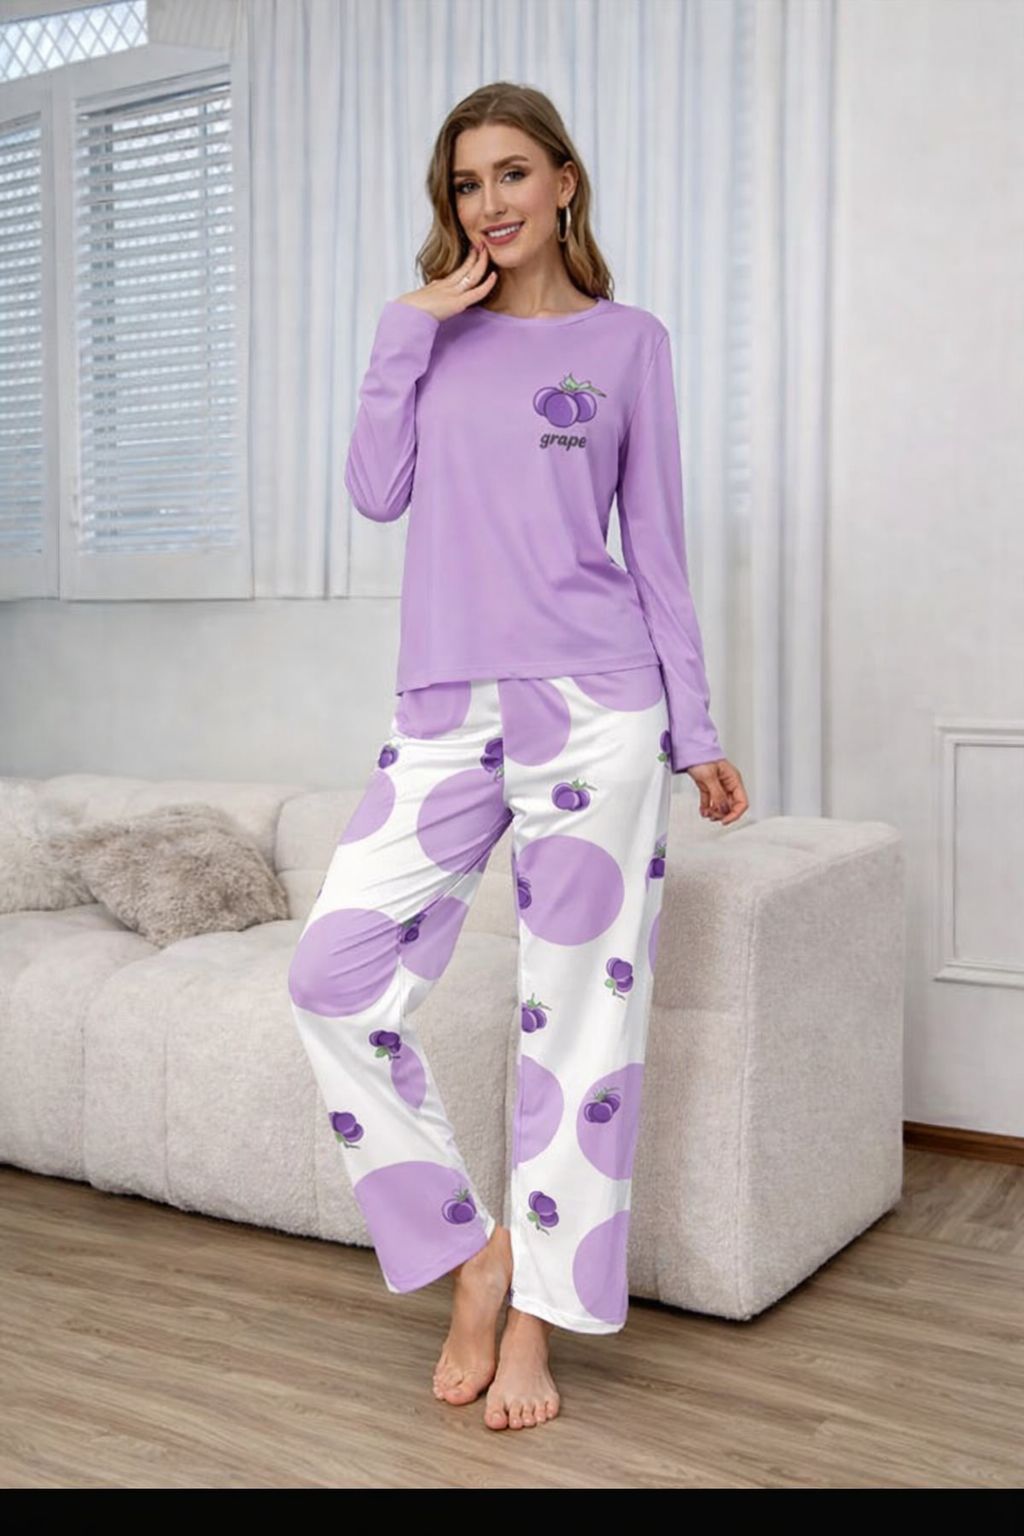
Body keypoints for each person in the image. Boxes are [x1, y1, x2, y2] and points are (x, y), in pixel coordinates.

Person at [287, 81, 749, 1434]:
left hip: (600, 705)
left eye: (509, 174)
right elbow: (376, 492)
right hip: (445, 705)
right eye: (464, 183)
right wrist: (404, 327)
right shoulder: (431, 338)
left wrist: (696, 731)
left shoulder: (628, 343)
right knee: (332, 981)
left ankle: (537, 1320)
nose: (488, 202)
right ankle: (472, 1255)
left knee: (579, 1017)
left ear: (562, 181)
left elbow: (655, 548)